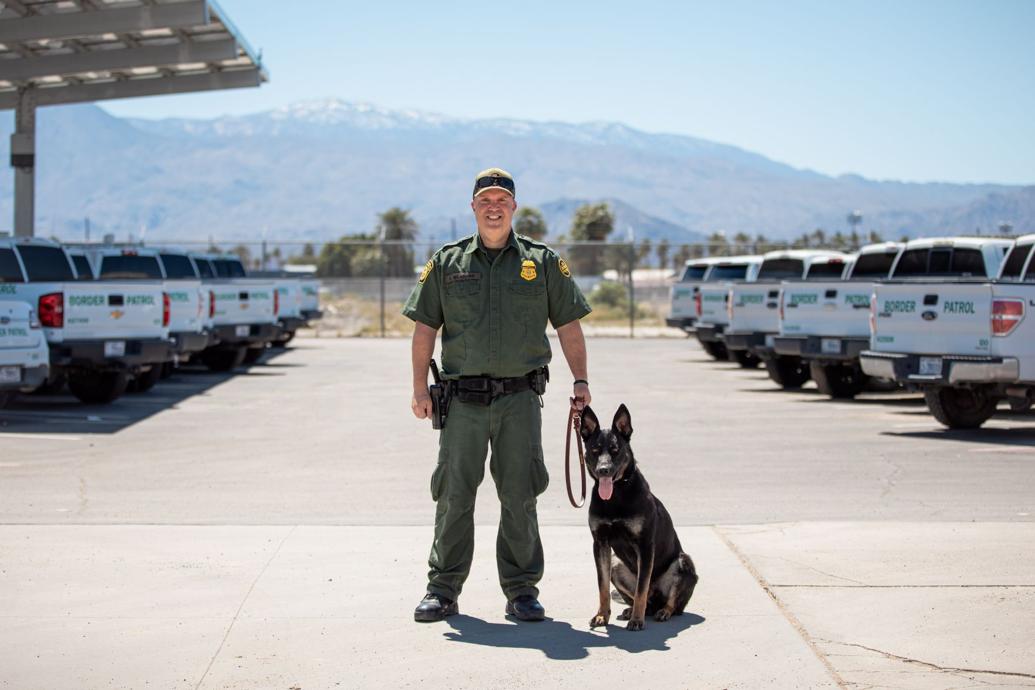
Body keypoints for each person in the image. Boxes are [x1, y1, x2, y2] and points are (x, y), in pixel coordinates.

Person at [403, 167, 592, 623]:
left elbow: (568, 326)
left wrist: (581, 381)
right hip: (461, 403)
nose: (493, 207)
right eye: (485, 200)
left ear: (513, 207)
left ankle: (522, 590)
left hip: (519, 400)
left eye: (501, 200)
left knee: (520, 494)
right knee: (453, 495)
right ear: (473, 207)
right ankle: (442, 588)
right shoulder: (447, 263)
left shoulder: (542, 261)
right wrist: (416, 390)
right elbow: (425, 329)